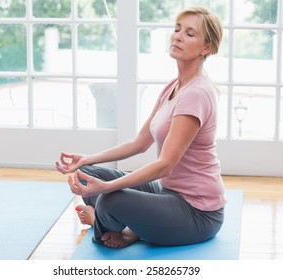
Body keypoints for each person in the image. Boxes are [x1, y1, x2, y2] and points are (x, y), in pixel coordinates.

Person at [56, 6, 226, 249]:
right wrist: (86, 159)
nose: (177, 36)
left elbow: (165, 165)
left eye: (190, 33)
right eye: (177, 29)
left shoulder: (197, 93)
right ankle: (132, 226)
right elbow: (139, 143)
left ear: (206, 48)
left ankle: (114, 224)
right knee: (89, 175)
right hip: (167, 192)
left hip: (197, 211)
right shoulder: (173, 87)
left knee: (110, 201)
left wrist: (109, 187)